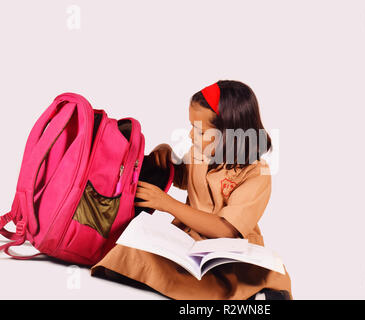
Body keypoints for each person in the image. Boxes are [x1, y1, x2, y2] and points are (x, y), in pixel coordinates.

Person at [91, 80, 293, 300]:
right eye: (191, 127)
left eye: (199, 130)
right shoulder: (200, 153)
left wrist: (167, 204)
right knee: (130, 249)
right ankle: (219, 289)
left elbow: (226, 230)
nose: (189, 135)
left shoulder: (256, 174)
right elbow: (181, 176)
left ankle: (244, 289)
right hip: (187, 241)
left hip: (230, 249)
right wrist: (164, 154)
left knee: (254, 269)